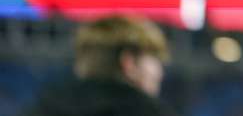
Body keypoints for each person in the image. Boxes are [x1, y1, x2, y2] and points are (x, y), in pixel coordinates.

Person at [24, 14, 176, 116]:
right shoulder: (151, 112)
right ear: (129, 63)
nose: (160, 73)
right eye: (156, 60)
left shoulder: (42, 108)